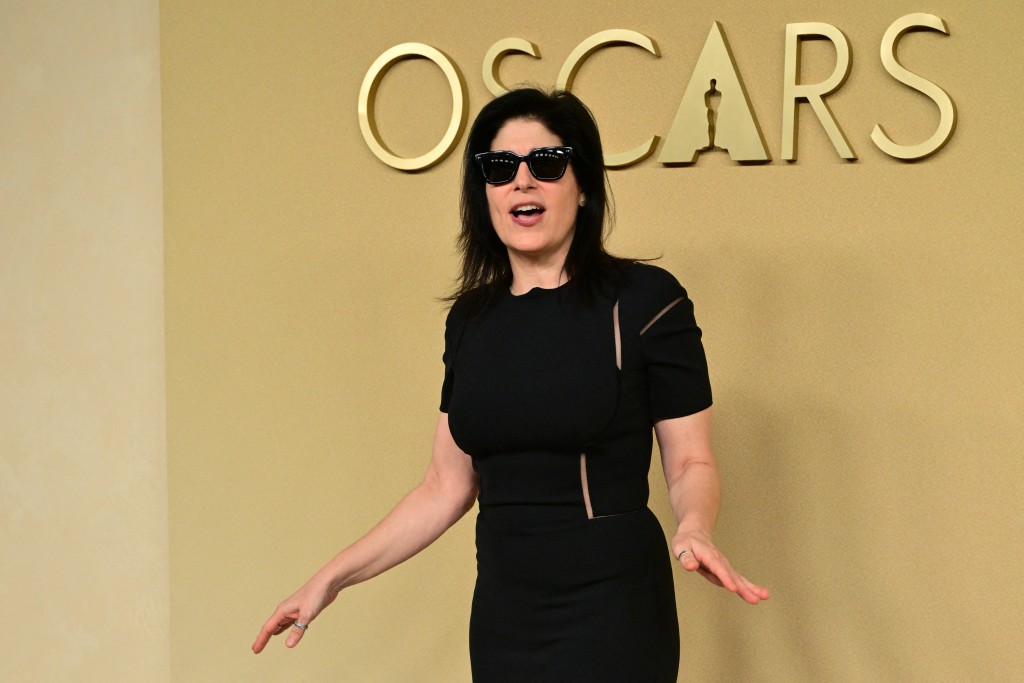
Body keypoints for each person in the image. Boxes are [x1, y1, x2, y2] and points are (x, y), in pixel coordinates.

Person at [252, 87, 769, 681]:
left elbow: (689, 464)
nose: (522, 182)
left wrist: (694, 529)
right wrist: (328, 580)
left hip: (613, 607)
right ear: (485, 195)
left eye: (545, 164)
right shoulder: (471, 320)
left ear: (584, 185)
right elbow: (444, 487)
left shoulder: (646, 301)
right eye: (500, 169)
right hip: (505, 610)